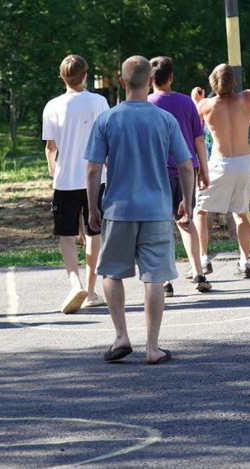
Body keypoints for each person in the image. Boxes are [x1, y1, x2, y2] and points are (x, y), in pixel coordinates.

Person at [86, 56, 195, 365]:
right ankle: (152, 346)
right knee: (155, 277)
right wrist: (186, 200)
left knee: (110, 272)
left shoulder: (108, 119)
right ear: (150, 81)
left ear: (122, 82)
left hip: (118, 209)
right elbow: (186, 166)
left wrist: (93, 206)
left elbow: (93, 169)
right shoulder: (165, 120)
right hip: (157, 209)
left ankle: (121, 336)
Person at [192, 46, 250, 278]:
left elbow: (192, 125)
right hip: (243, 161)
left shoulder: (206, 106)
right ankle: (245, 260)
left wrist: (195, 100)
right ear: (234, 82)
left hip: (219, 162)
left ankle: (203, 258)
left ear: (213, 83)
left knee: (201, 211)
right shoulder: (246, 98)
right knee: (241, 213)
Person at [42, 55, 110, 313]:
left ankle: (74, 283)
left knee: (67, 235)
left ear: (62, 77)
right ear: (85, 75)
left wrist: (52, 167)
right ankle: (91, 290)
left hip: (65, 179)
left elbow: (51, 146)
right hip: (96, 178)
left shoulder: (52, 106)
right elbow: (107, 138)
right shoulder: (99, 102)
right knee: (94, 233)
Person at [148, 56, 212, 295]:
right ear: (171, 77)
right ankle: (198, 272)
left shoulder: (146, 104)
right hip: (187, 170)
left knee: (161, 225)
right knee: (187, 221)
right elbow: (199, 140)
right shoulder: (187, 103)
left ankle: (165, 278)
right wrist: (204, 170)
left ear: (150, 79)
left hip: (158, 171)